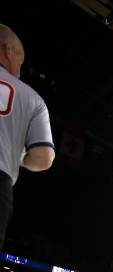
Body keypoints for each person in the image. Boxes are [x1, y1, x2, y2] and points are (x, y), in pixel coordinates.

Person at [0, 25, 55, 250]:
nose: (20, 73)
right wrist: (19, 157)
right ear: (8, 50)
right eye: (20, 63)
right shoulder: (33, 99)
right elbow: (44, 158)